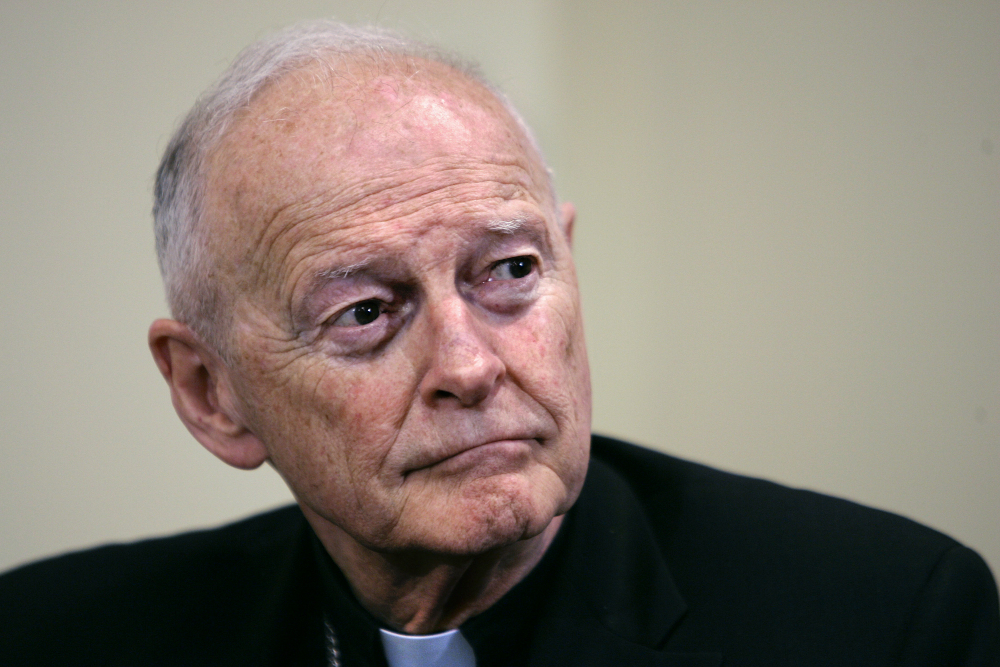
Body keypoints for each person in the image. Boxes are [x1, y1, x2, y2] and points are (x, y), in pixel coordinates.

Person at [1, 19, 997, 667]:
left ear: (565, 262)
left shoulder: (888, 622)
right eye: (364, 312)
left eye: (510, 272)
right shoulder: (54, 638)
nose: (471, 366)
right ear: (210, 392)